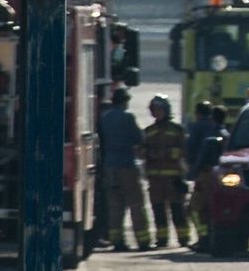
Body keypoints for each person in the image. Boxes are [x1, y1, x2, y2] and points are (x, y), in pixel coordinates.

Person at [96, 88, 151, 251]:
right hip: (127, 165)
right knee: (136, 203)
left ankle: (117, 241)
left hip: (109, 166)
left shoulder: (104, 118)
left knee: (115, 205)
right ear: (124, 101)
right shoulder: (128, 117)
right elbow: (139, 139)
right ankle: (143, 240)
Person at [141, 95, 191, 248]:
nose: (156, 113)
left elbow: (183, 150)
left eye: (159, 110)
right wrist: (147, 153)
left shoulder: (177, 130)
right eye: (154, 110)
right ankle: (162, 238)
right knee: (158, 210)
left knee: (177, 210)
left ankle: (183, 238)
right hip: (155, 179)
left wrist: (167, 153)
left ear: (166, 110)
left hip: (173, 178)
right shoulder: (148, 131)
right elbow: (142, 151)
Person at [187, 105, 228, 250]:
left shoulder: (210, 137)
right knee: (213, 208)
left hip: (206, 175)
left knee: (195, 208)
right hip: (222, 176)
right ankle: (211, 238)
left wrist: (191, 175)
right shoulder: (228, 135)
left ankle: (203, 238)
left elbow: (201, 158)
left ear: (212, 117)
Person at [184, 100, 213, 175]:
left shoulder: (196, 127)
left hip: (197, 165)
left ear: (197, 113)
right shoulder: (215, 126)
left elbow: (190, 146)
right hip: (212, 165)